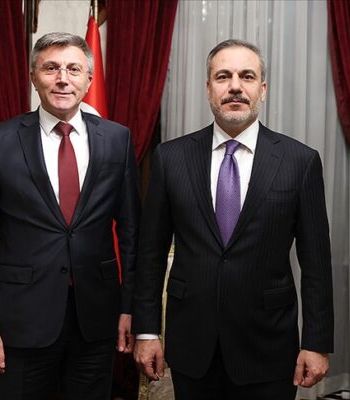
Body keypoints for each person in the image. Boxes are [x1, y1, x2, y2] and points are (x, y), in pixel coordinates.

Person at [132, 39, 334, 399]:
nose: (235, 86)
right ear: (209, 88)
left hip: (268, 345)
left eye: (247, 76)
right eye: (223, 76)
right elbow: (150, 254)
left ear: (263, 89)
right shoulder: (170, 158)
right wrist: (147, 332)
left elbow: (316, 262)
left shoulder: (300, 162)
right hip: (192, 343)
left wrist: (316, 342)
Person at [0, 32, 140, 400]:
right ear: (33, 76)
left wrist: (131, 308)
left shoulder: (117, 140)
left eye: (73, 69)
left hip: (97, 317)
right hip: (22, 319)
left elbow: (132, 235)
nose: (62, 79)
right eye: (51, 68)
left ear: (89, 79)